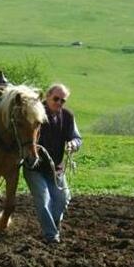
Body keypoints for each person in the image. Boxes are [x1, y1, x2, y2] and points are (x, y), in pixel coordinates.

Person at [23, 83, 82, 244]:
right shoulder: (35, 114)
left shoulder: (68, 116)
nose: (59, 103)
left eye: (63, 101)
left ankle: (52, 225)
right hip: (34, 167)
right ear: (48, 96)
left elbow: (77, 138)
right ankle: (51, 236)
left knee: (63, 199)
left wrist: (73, 144)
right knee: (44, 199)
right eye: (56, 99)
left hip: (56, 169)